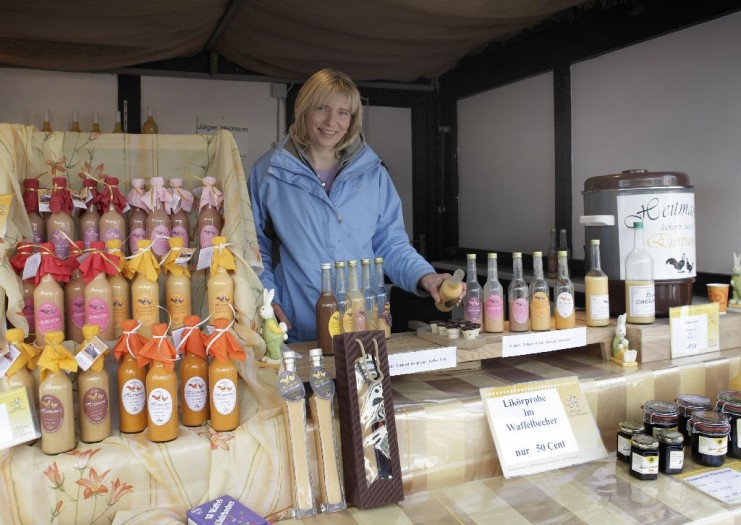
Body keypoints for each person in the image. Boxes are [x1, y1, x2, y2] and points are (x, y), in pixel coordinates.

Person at [248, 68, 462, 342]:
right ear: (304, 109)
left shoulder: (374, 174)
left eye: (343, 113)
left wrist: (426, 276)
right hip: (297, 329)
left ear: (352, 119)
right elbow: (254, 249)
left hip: (364, 325)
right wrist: (267, 300)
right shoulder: (269, 173)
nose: (331, 122)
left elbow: (392, 244)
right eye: (321, 108)